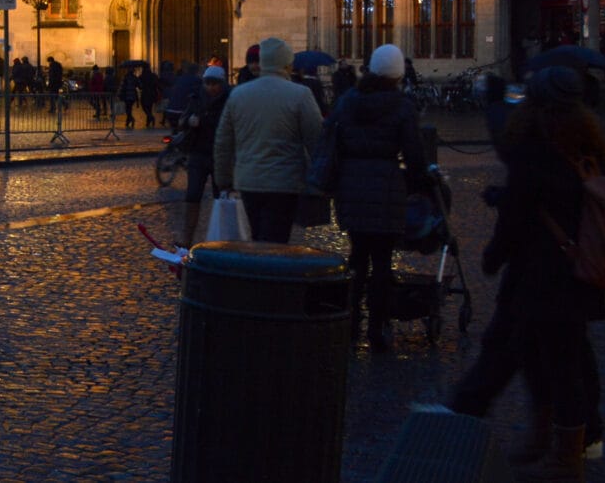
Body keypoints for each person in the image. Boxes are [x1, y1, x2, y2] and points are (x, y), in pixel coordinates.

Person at [443, 67, 605, 474]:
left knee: (541, 359)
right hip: (577, 271)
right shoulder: (590, 146)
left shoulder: (535, 149)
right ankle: (566, 441)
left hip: (537, 275)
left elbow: (518, 217)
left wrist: (493, 255)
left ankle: (567, 453)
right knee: (556, 357)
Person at [325, 43, 430, 351]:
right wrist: (418, 182)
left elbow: (334, 141)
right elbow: (414, 154)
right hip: (386, 186)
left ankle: (351, 320)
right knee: (382, 261)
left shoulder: (348, 102)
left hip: (352, 186)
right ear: (397, 73)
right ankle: (378, 326)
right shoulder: (402, 106)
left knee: (357, 256)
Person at [213, 36, 324, 244]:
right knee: (277, 237)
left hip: (248, 181)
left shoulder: (238, 94)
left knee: (258, 232)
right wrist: (320, 180)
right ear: (287, 63)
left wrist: (223, 180)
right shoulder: (300, 94)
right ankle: (267, 272)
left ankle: (257, 269)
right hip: (285, 181)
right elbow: (316, 140)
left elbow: (223, 143)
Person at [177, 66, 231, 247]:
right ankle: (186, 239)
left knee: (221, 198)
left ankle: (221, 239)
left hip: (220, 155)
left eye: (215, 83)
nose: (211, 87)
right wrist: (189, 121)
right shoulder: (196, 99)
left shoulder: (229, 100)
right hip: (198, 153)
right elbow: (182, 120)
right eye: (208, 83)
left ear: (222, 84)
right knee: (192, 195)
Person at [118, 64, 143, 129]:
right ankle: (128, 121)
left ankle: (131, 119)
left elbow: (122, 86)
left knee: (127, 109)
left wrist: (119, 94)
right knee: (129, 108)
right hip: (133, 96)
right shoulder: (135, 77)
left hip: (127, 95)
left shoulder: (125, 77)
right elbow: (140, 86)